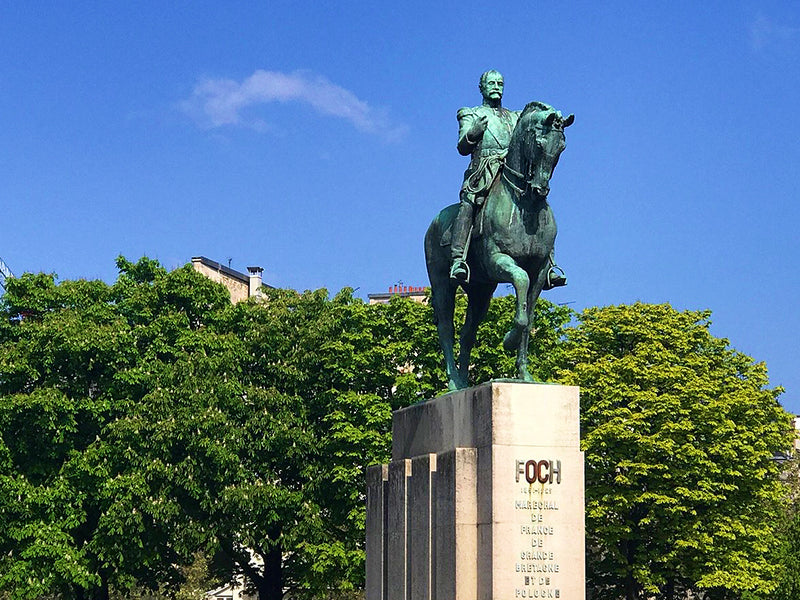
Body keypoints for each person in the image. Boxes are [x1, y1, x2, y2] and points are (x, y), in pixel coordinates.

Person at [450, 70, 567, 289]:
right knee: (469, 202)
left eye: (500, 83)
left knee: (539, 203)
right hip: (483, 172)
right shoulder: (470, 113)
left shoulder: (515, 116)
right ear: (481, 88)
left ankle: (549, 265)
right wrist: (473, 133)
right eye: (491, 83)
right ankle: (459, 261)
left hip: (512, 171)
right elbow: (462, 147)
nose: (496, 86)